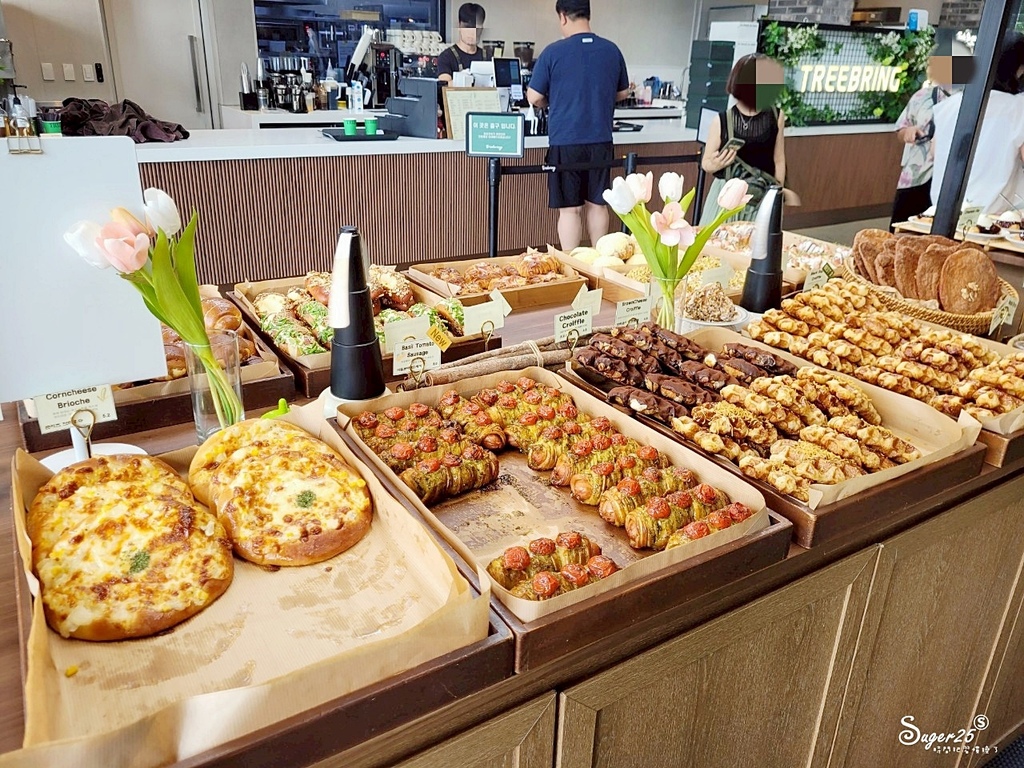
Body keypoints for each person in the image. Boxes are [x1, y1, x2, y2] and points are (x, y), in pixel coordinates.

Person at [526, 0, 629, 251]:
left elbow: (534, 96)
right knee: (598, 204)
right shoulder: (611, 50)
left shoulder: (553, 52)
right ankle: (601, 262)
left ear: (563, 16)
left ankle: (572, 264)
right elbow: (623, 92)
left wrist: (554, 100)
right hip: (601, 140)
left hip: (566, 141)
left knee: (570, 209)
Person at [931, 34, 1024, 214]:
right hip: (993, 215)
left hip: (944, 209)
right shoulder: (1018, 106)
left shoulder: (950, 105)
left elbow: (935, 151)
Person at [699, 53, 787, 225]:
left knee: (758, 241)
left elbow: (779, 159)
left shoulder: (776, 116)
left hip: (761, 195)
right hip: (727, 195)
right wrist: (717, 163)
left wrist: (777, 193)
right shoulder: (722, 120)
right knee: (719, 240)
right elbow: (706, 163)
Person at [889, 71, 948, 229]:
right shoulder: (922, 96)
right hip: (916, 174)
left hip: (949, 176)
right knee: (902, 228)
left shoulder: (972, 99)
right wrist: (908, 132)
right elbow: (900, 129)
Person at [437, 3, 487, 84]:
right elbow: (444, 85)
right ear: (459, 26)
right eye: (468, 27)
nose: (472, 32)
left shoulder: (488, 57)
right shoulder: (446, 57)